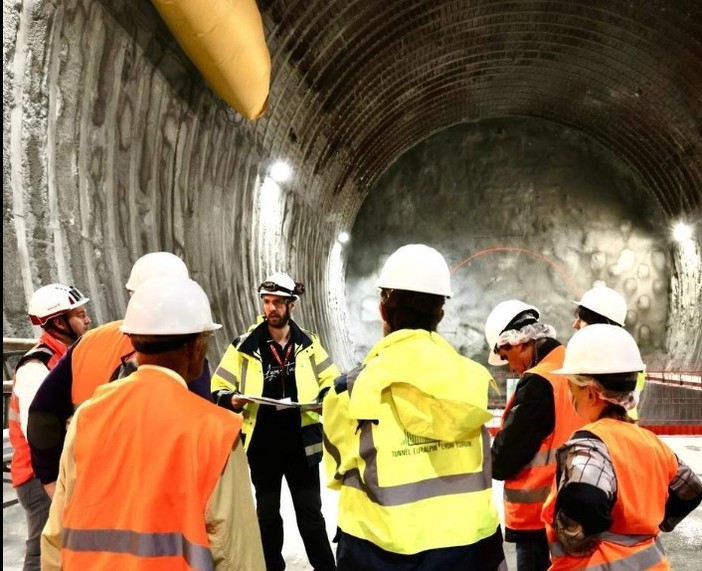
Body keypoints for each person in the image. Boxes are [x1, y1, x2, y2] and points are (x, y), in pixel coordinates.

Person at [40, 276, 265, 570]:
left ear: (132, 339)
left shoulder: (88, 416)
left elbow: (55, 536)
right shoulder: (215, 431)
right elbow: (236, 556)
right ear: (198, 345)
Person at [323, 244, 506, 570]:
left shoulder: (349, 391)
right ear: (441, 314)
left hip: (378, 552)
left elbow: (337, 471)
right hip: (469, 548)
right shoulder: (475, 381)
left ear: (383, 311)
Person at [27, 251, 212, 498]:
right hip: (159, 499)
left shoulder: (88, 343)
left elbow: (42, 415)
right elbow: (201, 439)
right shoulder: (188, 355)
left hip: (93, 495)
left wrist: (51, 481)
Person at [542, 324, 702, 569]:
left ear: (592, 394)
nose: (569, 394)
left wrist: (575, 540)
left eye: (572, 387)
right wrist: (657, 524)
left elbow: (585, 500)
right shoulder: (651, 442)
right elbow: (691, 488)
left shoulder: (589, 444)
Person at [211, 272, 338, 571]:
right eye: (267, 302)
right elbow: (219, 385)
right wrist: (232, 398)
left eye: (278, 303)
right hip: (262, 444)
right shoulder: (244, 347)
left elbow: (330, 379)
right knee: (266, 515)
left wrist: (323, 399)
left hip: (301, 443)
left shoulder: (309, 344)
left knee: (311, 516)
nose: (271, 308)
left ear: (292, 305)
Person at [484, 299, 586, 571]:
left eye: (506, 357)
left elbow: (504, 458)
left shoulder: (538, 382)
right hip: (579, 507)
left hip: (539, 517)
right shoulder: (574, 365)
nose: (510, 367)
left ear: (518, 342)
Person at [8, 284, 91, 571]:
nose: (88, 320)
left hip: (58, 469)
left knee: (61, 547)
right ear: (58, 322)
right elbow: (41, 432)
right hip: (38, 474)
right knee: (42, 551)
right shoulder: (37, 365)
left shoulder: (68, 359)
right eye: (80, 315)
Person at [572, 285, 646, 421]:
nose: (575, 325)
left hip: (604, 430)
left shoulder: (594, 359)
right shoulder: (628, 356)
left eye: (581, 319)